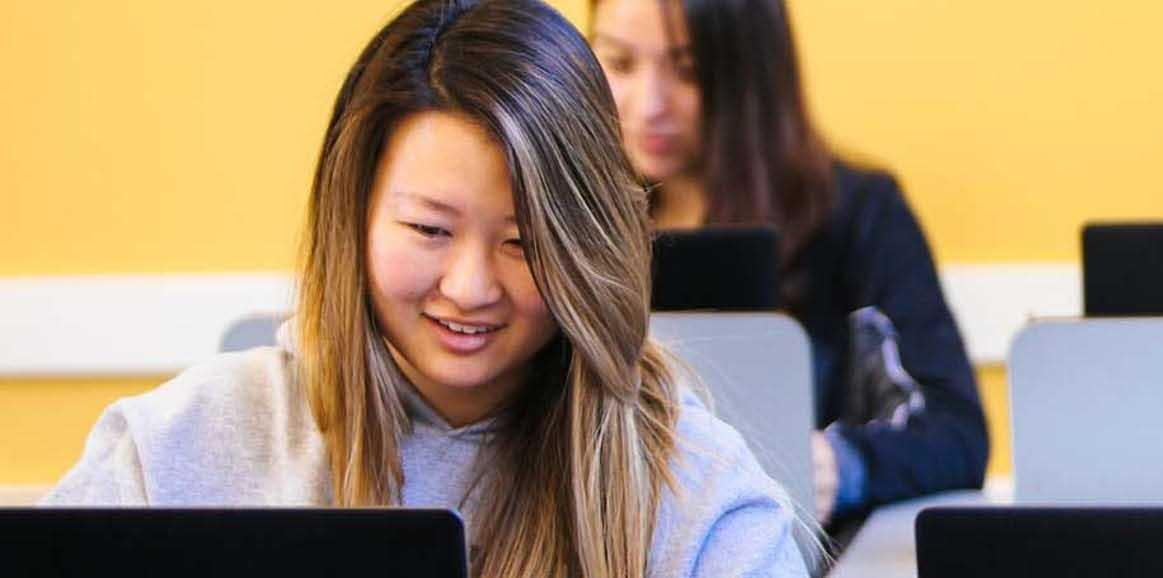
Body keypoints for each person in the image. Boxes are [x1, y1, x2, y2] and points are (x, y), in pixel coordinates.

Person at [43, 1, 806, 575]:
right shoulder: (175, 448)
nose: (469, 288)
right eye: (429, 230)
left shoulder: (698, 497)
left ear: (589, 244)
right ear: (354, 217)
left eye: (522, 243)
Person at [588, 0, 989, 525]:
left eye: (690, 72)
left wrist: (837, 466)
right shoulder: (572, 219)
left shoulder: (857, 213)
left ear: (752, 71)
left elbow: (955, 434)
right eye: (619, 63)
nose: (649, 105)